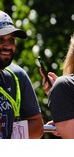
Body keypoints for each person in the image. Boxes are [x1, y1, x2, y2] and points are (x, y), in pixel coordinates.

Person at [0, 10, 44, 139]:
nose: (8, 46)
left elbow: (37, 125)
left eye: (12, 39)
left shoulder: (17, 76)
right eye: (1, 38)